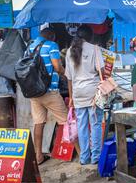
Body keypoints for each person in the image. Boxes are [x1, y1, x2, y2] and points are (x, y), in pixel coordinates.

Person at [27, 28, 68, 165]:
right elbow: (57, 67)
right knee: (66, 121)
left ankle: (38, 156)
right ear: (51, 36)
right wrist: (66, 74)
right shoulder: (52, 45)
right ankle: (81, 155)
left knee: (39, 123)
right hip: (50, 91)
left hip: (34, 91)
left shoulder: (30, 46)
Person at [65, 25, 104, 165]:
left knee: (81, 125)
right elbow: (102, 71)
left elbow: (69, 78)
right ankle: (96, 157)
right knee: (95, 124)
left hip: (78, 92)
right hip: (93, 92)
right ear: (90, 36)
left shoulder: (70, 51)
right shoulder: (95, 49)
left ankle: (84, 157)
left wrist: (71, 97)